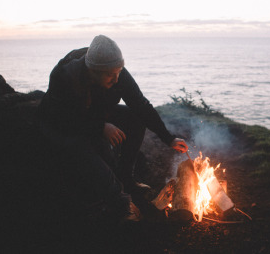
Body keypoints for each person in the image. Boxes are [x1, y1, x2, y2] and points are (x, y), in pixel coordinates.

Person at [38, 34, 188, 221]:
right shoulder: (65, 76)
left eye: (119, 72)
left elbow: (141, 105)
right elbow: (62, 118)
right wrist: (100, 127)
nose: (116, 79)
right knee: (83, 148)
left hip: (95, 117)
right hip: (63, 125)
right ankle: (120, 201)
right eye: (110, 74)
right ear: (93, 70)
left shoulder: (116, 71)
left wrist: (169, 137)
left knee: (134, 118)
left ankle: (126, 178)